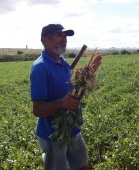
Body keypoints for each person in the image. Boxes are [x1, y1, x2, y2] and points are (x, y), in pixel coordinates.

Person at [30, 24, 88, 170]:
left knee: (81, 164)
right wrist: (62, 103)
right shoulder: (40, 68)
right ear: (45, 40)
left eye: (65, 36)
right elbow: (38, 110)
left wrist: (83, 80)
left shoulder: (63, 62)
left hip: (72, 128)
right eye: (59, 36)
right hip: (53, 134)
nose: (64, 40)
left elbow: (68, 87)